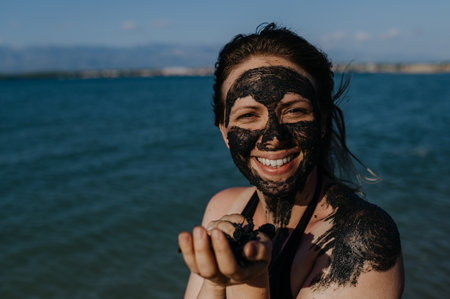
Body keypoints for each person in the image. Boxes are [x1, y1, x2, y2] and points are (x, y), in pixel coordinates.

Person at [178, 23, 404, 298]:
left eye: (295, 111)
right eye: (248, 115)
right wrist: (215, 282)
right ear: (225, 133)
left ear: (322, 122)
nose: (273, 137)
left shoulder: (362, 238)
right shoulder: (222, 206)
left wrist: (250, 282)